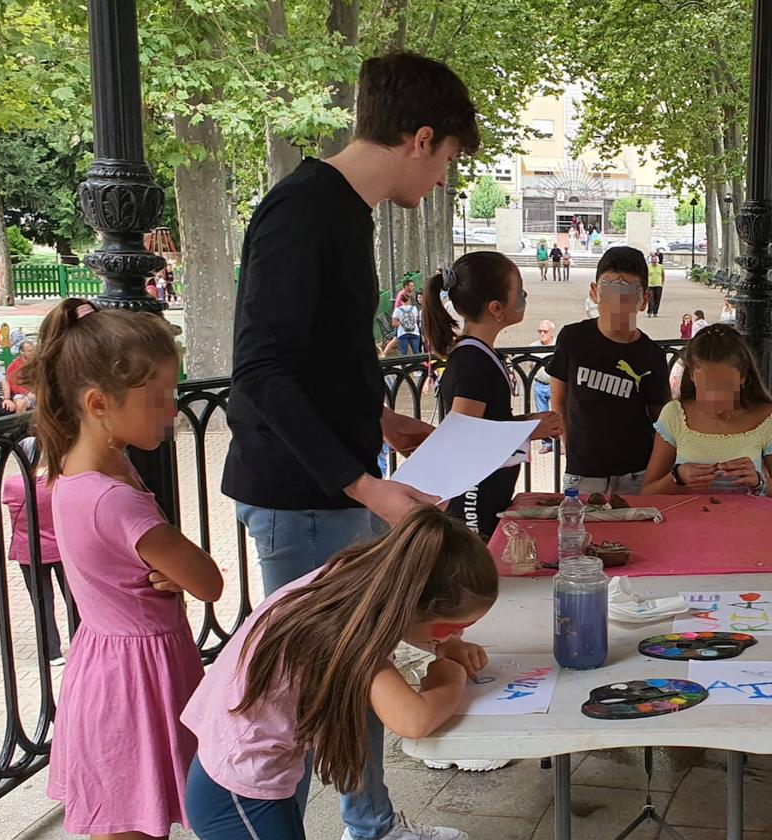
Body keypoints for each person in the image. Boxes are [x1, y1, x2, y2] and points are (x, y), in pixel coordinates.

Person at [222, 53, 479, 840]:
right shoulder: (303, 212)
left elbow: (321, 358)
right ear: (421, 138)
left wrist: (382, 424)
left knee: (352, 670)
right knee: (302, 701)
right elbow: (259, 369)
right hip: (305, 500)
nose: (441, 181)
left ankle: (371, 825)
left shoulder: (343, 211)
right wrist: (365, 485)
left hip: (336, 487)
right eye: (447, 162)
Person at [22, 299, 224, 838]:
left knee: (130, 814)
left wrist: (161, 570)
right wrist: (178, 573)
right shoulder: (116, 498)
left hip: (114, 665)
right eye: (158, 398)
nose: (172, 410)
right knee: (132, 822)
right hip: (134, 683)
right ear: (98, 403)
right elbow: (209, 582)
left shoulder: (81, 465)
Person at [183, 507, 498, 840]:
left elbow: (404, 624)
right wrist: (449, 679)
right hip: (236, 793)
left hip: (244, 773)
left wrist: (440, 644)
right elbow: (413, 720)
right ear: (413, 604)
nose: (458, 634)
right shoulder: (347, 634)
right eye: (453, 626)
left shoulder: (362, 584)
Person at [422, 253, 562, 538]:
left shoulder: (477, 355)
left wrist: (525, 422)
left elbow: (485, 423)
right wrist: (529, 429)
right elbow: (462, 436)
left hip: (485, 497)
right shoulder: (474, 362)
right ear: (496, 308)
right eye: (518, 290)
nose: (524, 295)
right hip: (473, 506)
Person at [548, 246, 670, 495]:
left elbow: (661, 420)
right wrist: (570, 448)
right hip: (582, 472)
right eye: (609, 290)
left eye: (627, 294)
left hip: (636, 474)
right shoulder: (572, 339)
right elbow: (558, 400)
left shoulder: (652, 355)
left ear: (644, 300)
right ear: (594, 292)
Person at [641, 325, 772, 511]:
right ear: (691, 375)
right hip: (687, 529)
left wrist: (759, 481)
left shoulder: (766, 417)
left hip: (747, 530)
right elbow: (648, 494)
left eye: (725, 386)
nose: (714, 397)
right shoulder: (675, 415)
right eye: (706, 387)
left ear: (743, 377)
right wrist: (677, 477)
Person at [3, 440, 67, 665]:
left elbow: (6, 502)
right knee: (75, 599)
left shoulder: (13, 484)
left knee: (41, 601)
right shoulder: (58, 481)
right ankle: (81, 642)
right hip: (60, 548)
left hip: (28, 551)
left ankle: (52, 652)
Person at [532, 319, 558, 454]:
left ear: (552, 332)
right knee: (542, 415)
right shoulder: (532, 347)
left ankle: (561, 443)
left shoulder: (558, 346)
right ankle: (546, 443)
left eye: (545, 331)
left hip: (554, 385)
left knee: (558, 413)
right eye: (540, 331)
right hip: (539, 385)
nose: (542, 334)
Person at [6, 339, 37, 412]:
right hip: (22, 394)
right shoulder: (13, 366)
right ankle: (21, 423)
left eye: (34, 350)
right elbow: (12, 384)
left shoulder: (38, 363)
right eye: (30, 351)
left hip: (39, 392)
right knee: (20, 404)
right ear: (22, 352)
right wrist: (27, 393)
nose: (33, 353)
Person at [646, 252, 664, 318]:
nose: (654, 261)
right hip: (650, 285)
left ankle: (655, 312)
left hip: (658, 285)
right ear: (651, 260)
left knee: (657, 299)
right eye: (653, 260)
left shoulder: (660, 267)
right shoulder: (648, 267)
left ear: (657, 260)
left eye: (655, 260)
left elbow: (663, 275)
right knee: (651, 299)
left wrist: (662, 283)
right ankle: (650, 311)